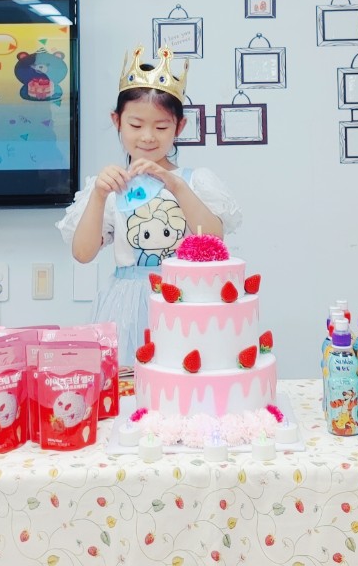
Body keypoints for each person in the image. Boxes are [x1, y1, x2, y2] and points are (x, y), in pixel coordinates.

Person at [58, 46, 241, 364]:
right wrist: (99, 196)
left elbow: (213, 241)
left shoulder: (195, 181)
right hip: (126, 306)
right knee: (131, 384)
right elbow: (83, 254)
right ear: (117, 121)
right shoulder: (109, 186)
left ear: (179, 127)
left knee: (183, 380)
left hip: (186, 301)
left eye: (161, 127)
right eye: (135, 125)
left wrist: (175, 184)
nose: (147, 136)